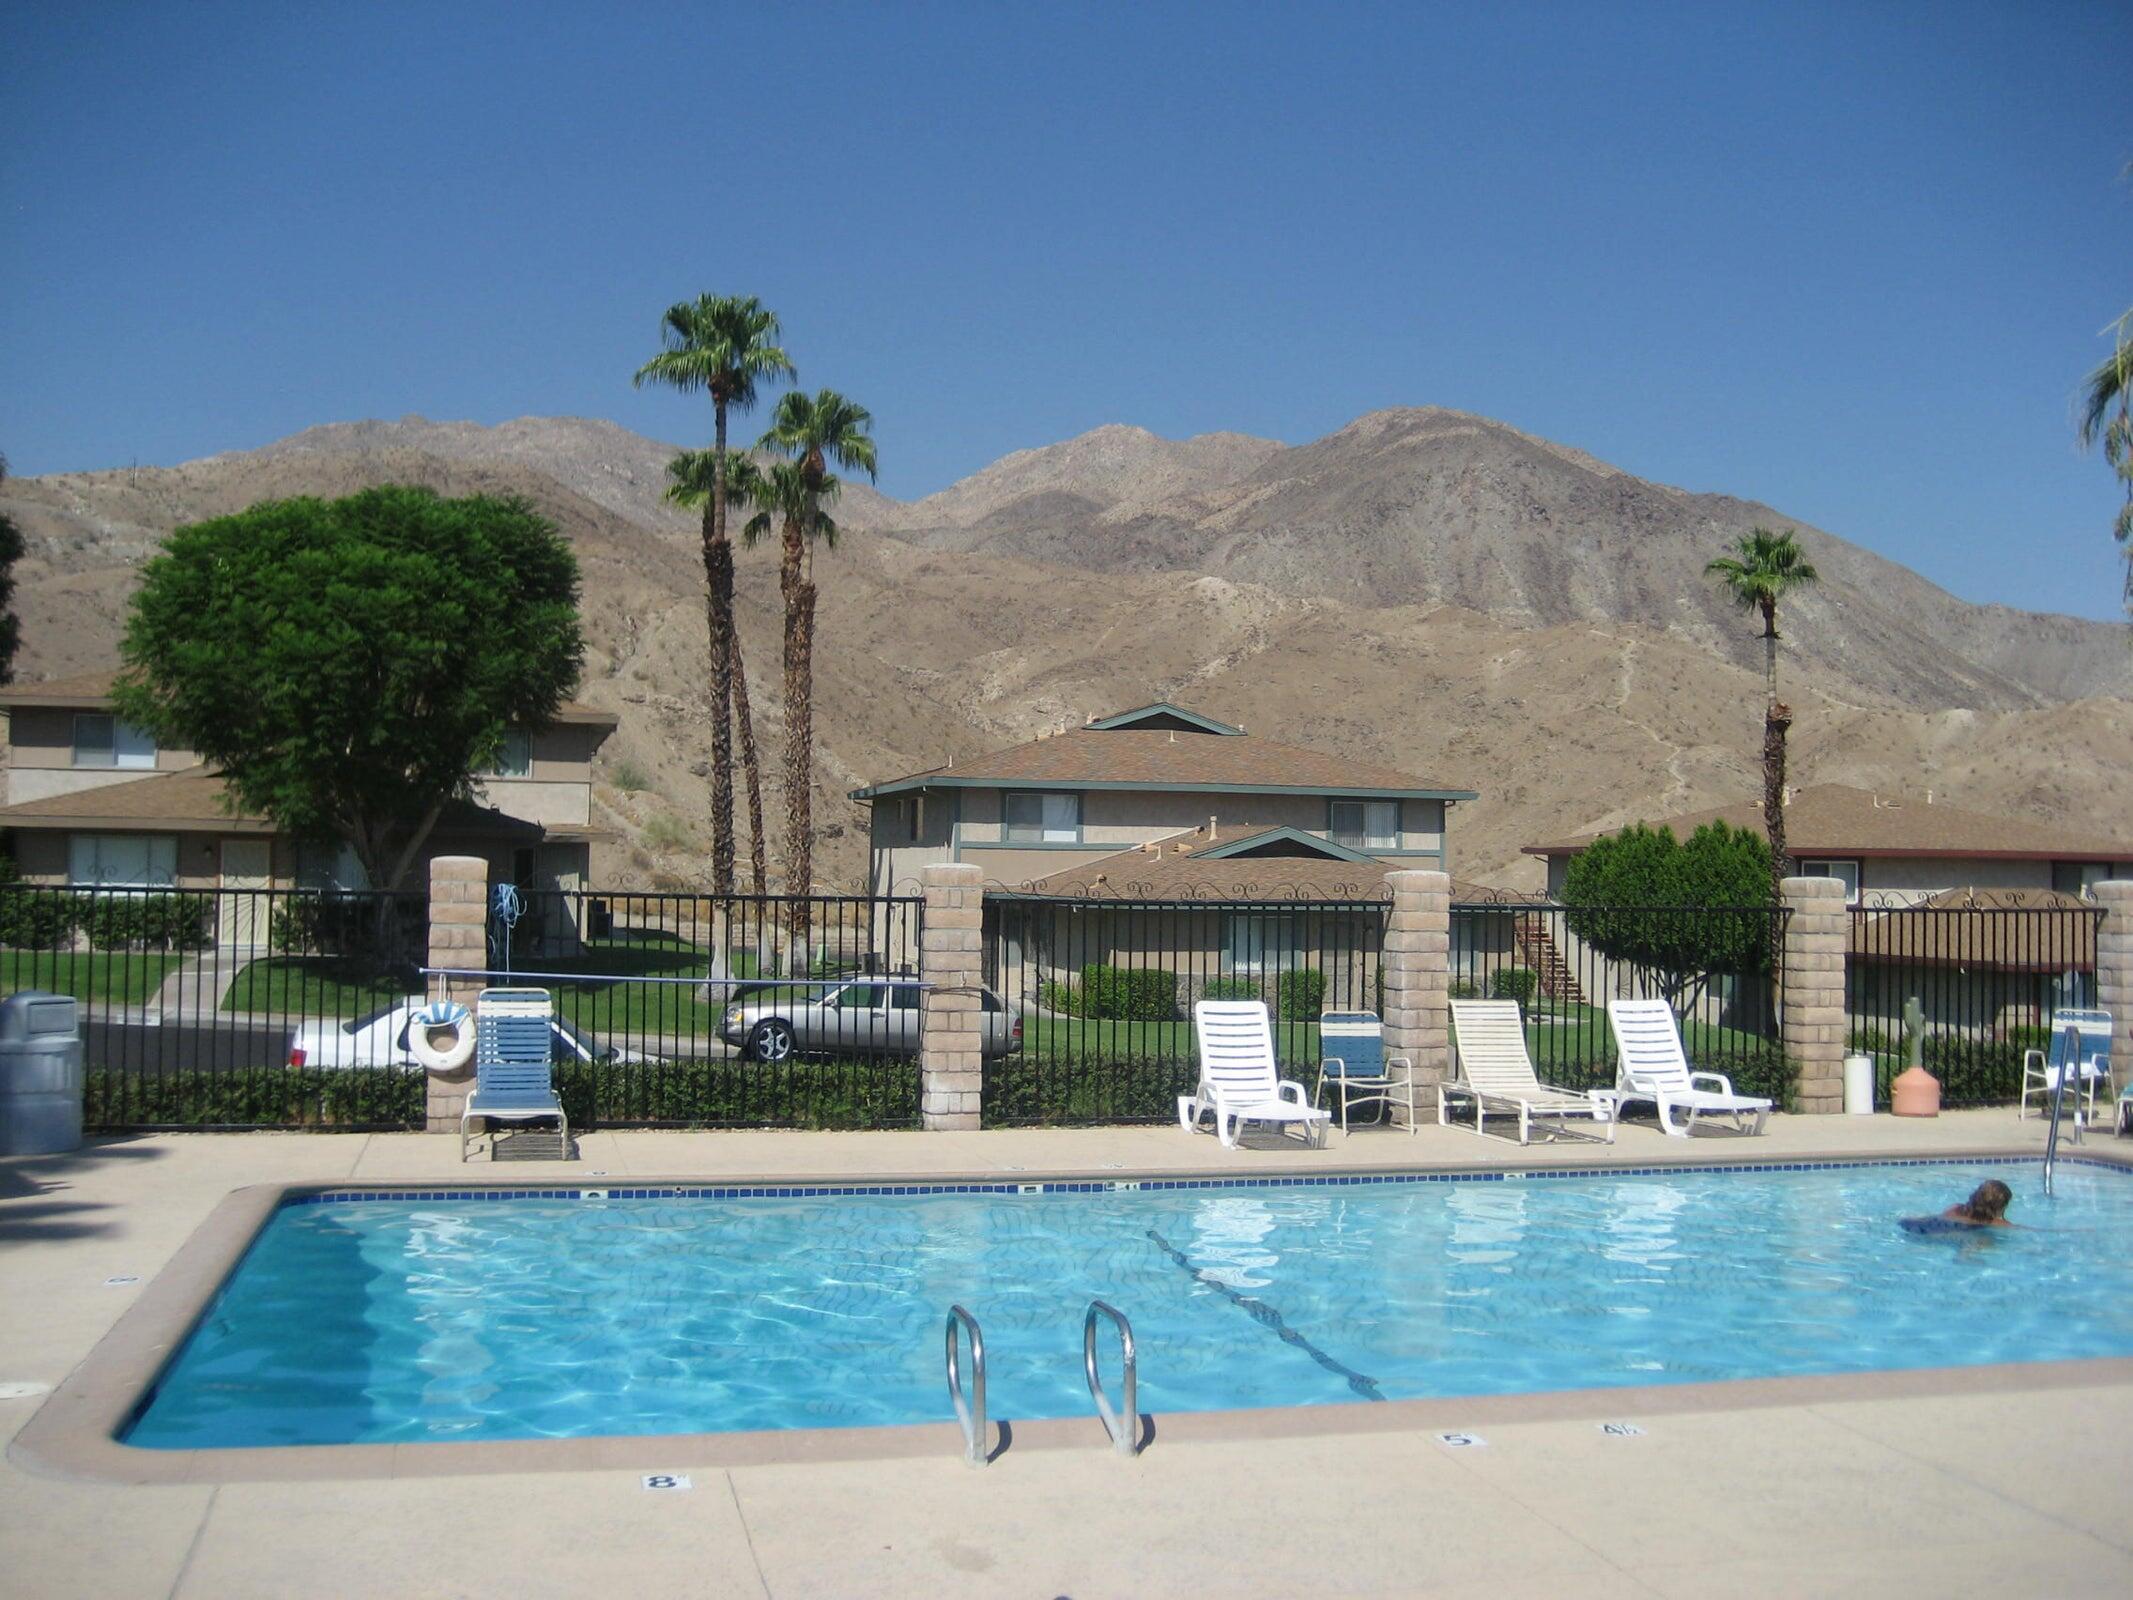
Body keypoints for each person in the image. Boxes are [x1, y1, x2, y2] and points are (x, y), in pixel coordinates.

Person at [1900, 1179, 2015, 1235]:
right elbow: (2019, 1228)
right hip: (1959, 1233)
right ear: (2000, 1208)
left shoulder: (1955, 1208)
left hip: (1929, 1226)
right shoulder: (1994, 1223)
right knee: (1983, 1241)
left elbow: (1938, 1218)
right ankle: (1965, 1256)